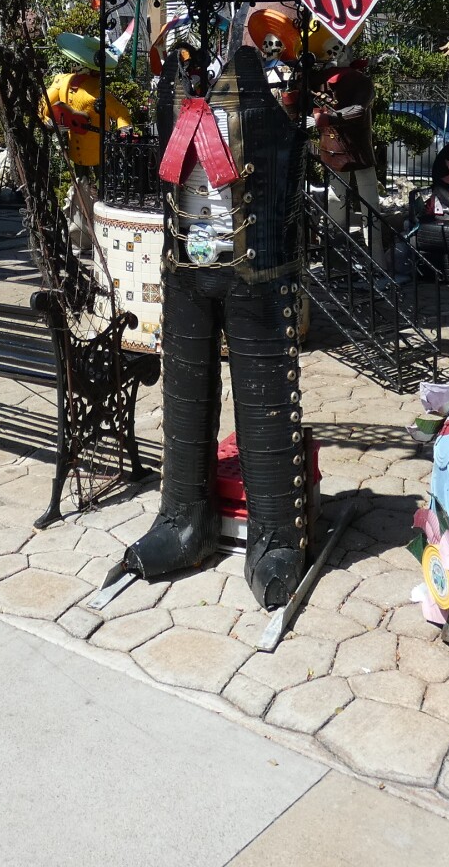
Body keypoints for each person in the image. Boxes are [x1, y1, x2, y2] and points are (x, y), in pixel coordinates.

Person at [123, 40, 311, 612]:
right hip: (184, 267)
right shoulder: (174, 79)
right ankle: (184, 519)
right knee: (183, 399)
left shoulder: (273, 71)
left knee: (264, 403)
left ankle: (277, 535)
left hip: (258, 267)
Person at [314, 44, 379, 249]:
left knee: (369, 199)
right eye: (332, 50)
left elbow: (358, 109)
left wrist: (329, 117)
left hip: (357, 149)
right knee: (335, 197)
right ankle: (336, 248)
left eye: (341, 49)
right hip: (332, 149)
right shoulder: (320, 80)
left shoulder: (360, 81)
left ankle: (374, 250)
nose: (336, 55)